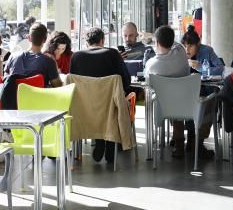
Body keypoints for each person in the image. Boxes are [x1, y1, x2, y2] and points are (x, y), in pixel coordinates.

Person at [145, 25, 215, 159]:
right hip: (188, 106)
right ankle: (196, 143)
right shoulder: (181, 53)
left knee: (172, 102)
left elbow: (148, 82)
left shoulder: (151, 65)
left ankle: (179, 145)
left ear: (156, 43)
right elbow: (175, 43)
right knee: (203, 100)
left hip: (164, 108)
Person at [70, 27, 131, 163]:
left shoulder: (76, 56)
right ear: (103, 40)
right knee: (112, 104)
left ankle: (99, 140)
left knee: (96, 104)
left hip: (85, 109)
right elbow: (126, 81)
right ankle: (110, 142)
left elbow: (71, 86)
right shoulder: (113, 54)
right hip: (109, 108)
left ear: (87, 42)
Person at [5, 23, 63, 87]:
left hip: (14, 96)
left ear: (29, 38)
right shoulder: (49, 61)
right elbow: (58, 86)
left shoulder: (13, 56)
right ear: (45, 39)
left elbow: (5, 80)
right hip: (38, 96)